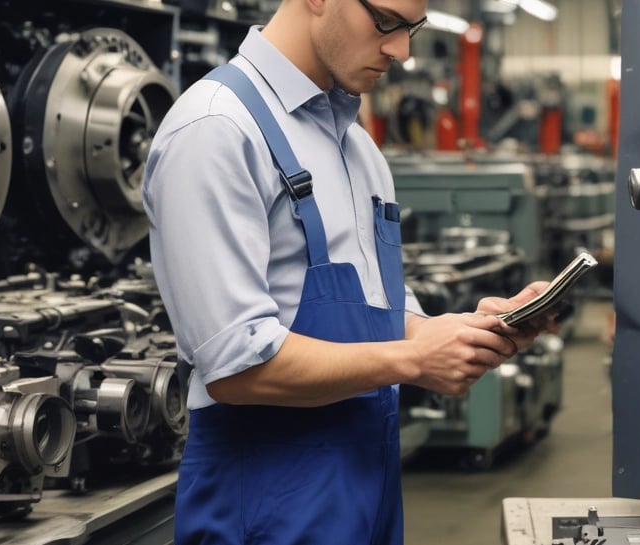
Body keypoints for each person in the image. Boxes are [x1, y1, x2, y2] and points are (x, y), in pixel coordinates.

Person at [142, 1, 558, 543]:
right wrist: (413, 359)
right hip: (265, 508)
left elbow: (381, 315)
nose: (402, 51)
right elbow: (235, 366)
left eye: (413, 29)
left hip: (368, 491)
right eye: (386, 22)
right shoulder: (217, 130)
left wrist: (460, 331)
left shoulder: (357, 147)